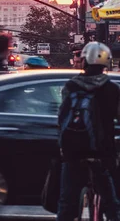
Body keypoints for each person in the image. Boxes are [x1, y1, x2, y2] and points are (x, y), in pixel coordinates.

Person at [57, 42, 120, 221]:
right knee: (112, 204)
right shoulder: (112, 89)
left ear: (84, 61)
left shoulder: (71, 86)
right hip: (102, 153)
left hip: (73, 154)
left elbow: (61, 117)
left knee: (66, 203)